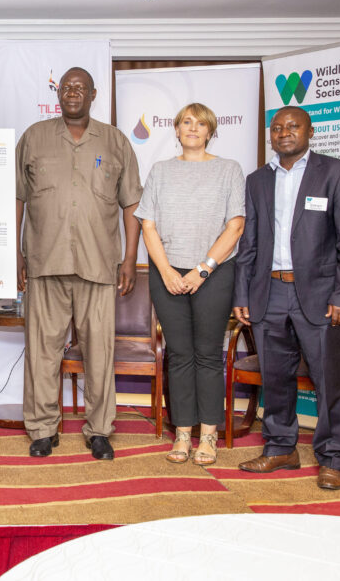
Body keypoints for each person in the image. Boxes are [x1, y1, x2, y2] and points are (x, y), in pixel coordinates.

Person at [233, 106, 340, 490]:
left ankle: (333, 457)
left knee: (327, 380)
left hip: (322, 297)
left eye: (293, 127)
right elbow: (249, 243)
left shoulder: (336, 174)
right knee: (275, 377)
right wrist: (243, 292)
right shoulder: (257, 180)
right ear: (270, 136)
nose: (284, 133)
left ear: (310, 131)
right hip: (268, 291)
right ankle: (280, 448)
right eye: (277, 128)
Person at [16, 67, 142, 460]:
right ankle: (41, 428)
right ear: (58, 93)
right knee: (42, 351)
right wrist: (12, 252)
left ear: (93, 94)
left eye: (80, 88)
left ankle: (100, 430)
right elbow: (17, 197)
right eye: (66, 87)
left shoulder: (116, 141)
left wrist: (131, 258)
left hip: (99, 262)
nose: (73, 93)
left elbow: (132, 204)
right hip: (44, 259)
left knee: (99, 353)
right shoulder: (35, 138)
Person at [135, 103, 244, 466]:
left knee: (208, 355)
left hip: (213, 274)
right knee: (179, 355)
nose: (193, 128)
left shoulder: (229, 170)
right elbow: (148, 225)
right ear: (177, 130)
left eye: (200, 123)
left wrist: (202, 270)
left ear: (211, 130)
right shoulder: (161, 171)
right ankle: (182, 433)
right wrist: (166, 271)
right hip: (167, 272)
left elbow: (235, 226)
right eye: (186, 122)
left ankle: (208, 436)